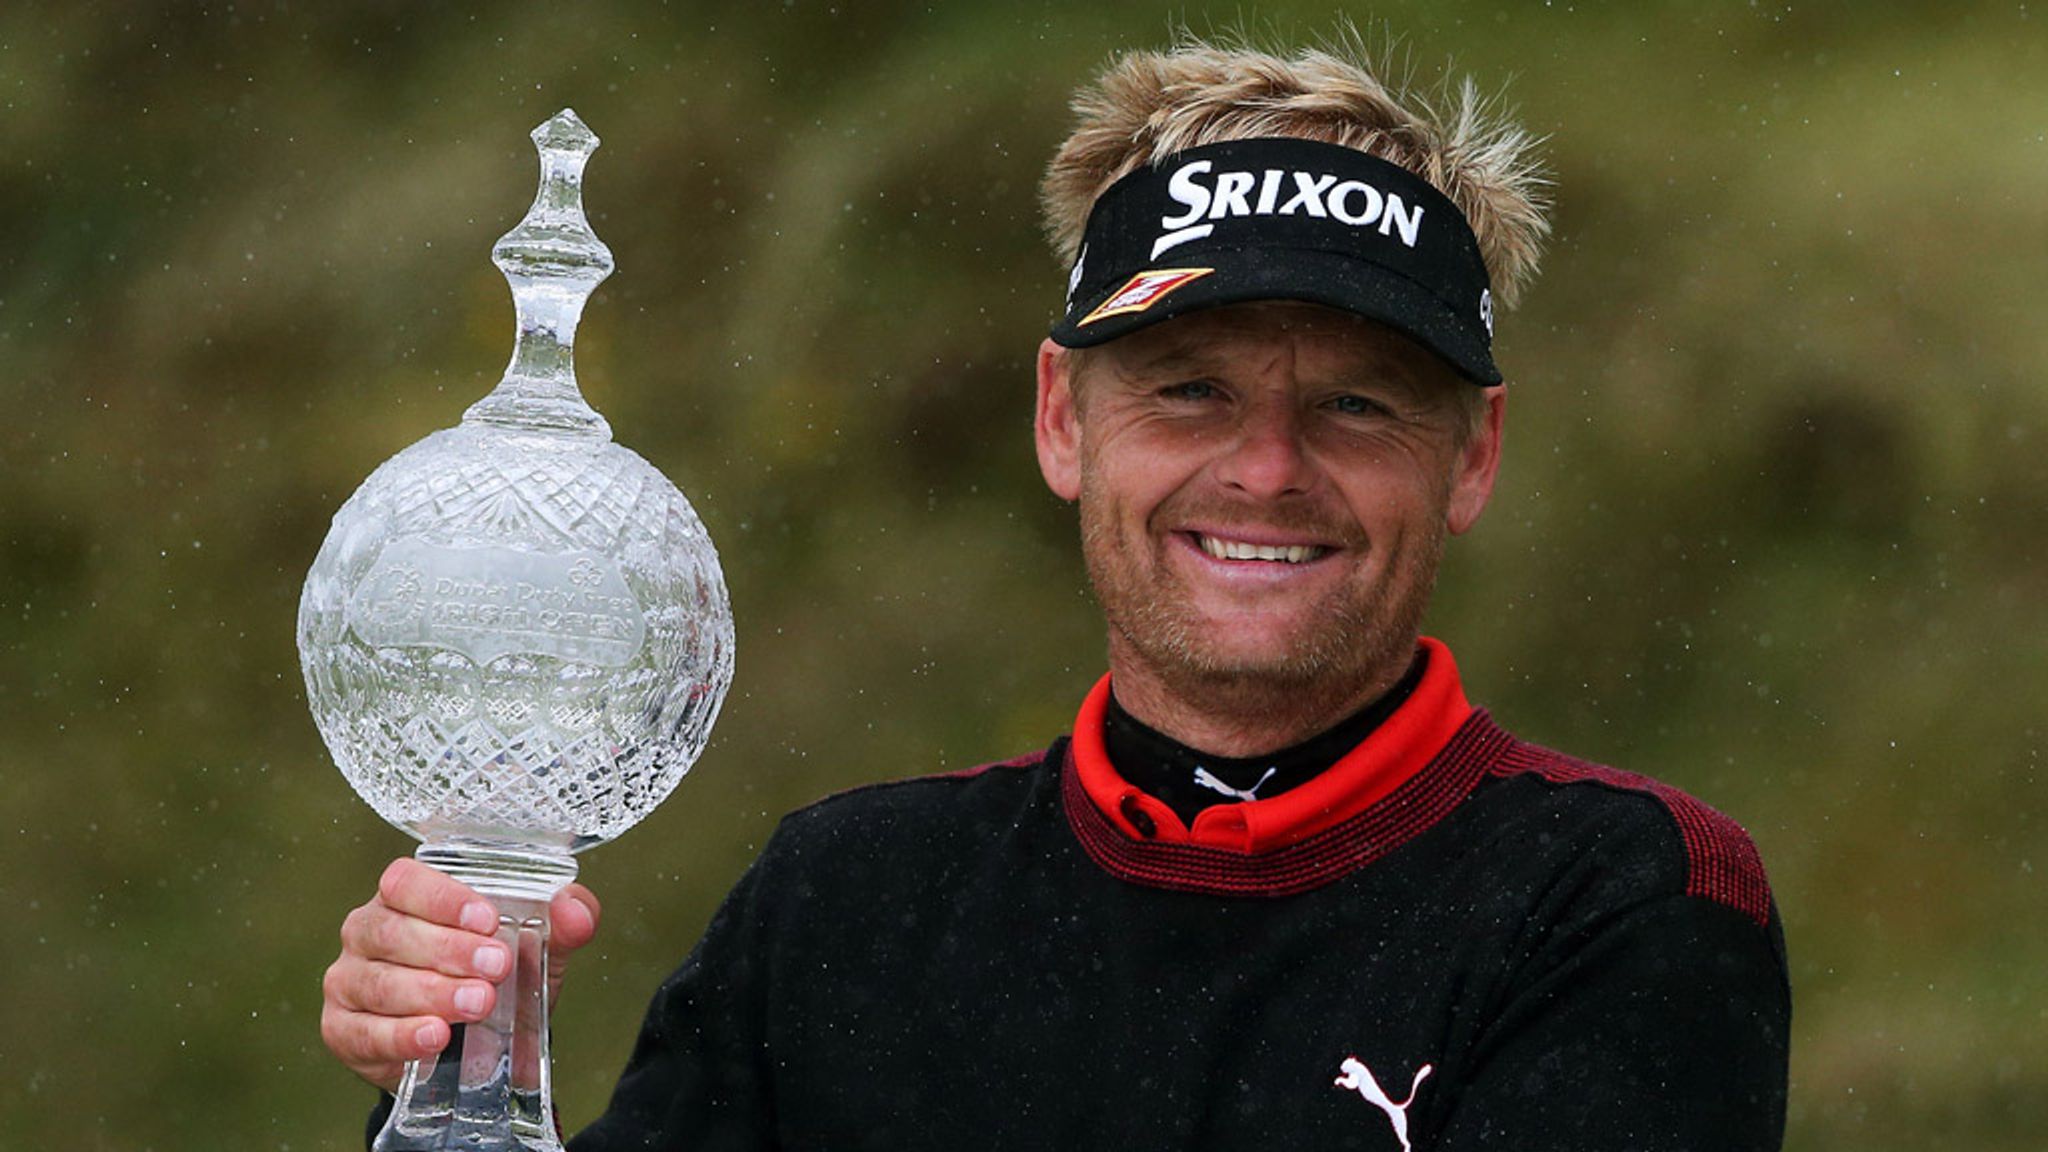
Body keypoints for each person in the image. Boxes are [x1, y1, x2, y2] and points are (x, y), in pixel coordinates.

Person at [321, 34, 1791, 1150]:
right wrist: (453, 1074)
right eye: (1191, 388)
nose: (1267, 470)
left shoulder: (1624, 901)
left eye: (1356, 404)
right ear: (1060, 420)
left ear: (1472, 457)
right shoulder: (843, 902)